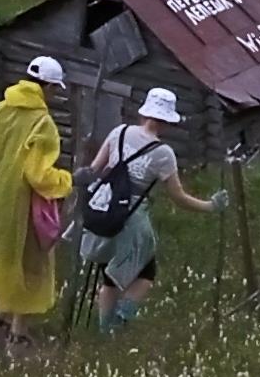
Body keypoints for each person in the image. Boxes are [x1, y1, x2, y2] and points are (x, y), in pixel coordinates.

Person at [76, 85, 221, 328]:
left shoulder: (119, 132)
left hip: (104, 207)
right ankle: (120, 320)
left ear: (145, 113)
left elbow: (94, 170)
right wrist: (210, 206)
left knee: (108, 276)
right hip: (132, 216)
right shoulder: (163, 153)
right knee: (146, 274)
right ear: (166, 121)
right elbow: (178, 196)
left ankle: (103, 329)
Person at [0, 54, 75, 350]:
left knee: (7, 265)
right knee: (30, 267)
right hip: (22, 205)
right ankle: (19, 339)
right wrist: (67, 180)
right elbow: (38, 175)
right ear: (48, 87)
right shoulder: (42, 123)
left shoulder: (0, 110)